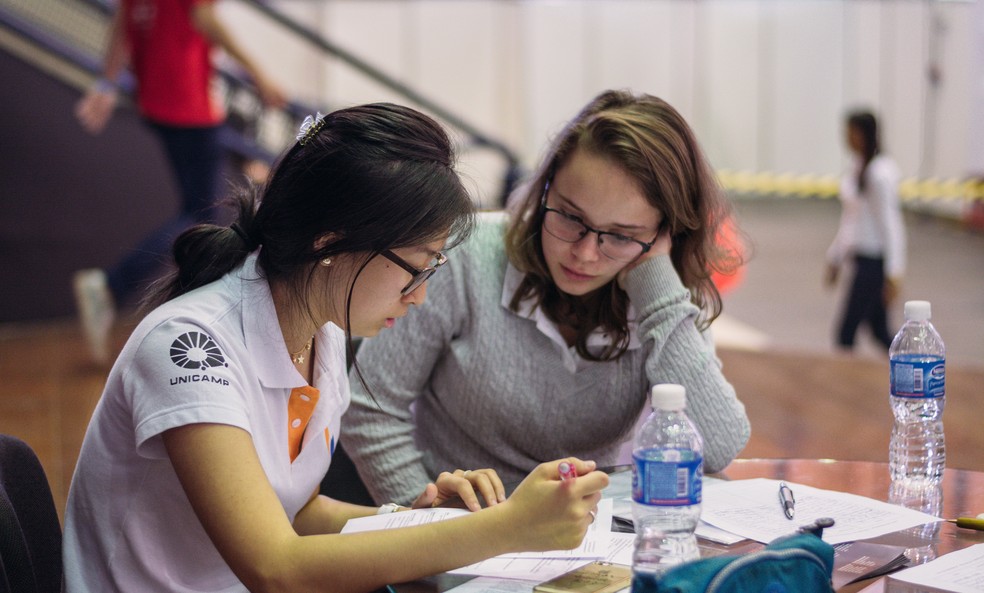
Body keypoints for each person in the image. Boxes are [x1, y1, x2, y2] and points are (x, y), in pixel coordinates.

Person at [62, 103, 608, 592]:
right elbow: (277, 567)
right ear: (331, 244)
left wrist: (417, 521)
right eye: (415, 270)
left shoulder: (321, 331)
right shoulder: (189, 346)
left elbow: (298, 514)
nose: (420, 298)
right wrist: (505, 529)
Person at [341, 90, 752, 506]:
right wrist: (429, 524)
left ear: (664, 235)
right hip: (461, 536)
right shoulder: (467, 257)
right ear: (544, 191)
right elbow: (369, 408)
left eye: (620, 235)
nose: (585, 253)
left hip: (589, 541)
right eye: (571, 217)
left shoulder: (663, 290)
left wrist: (658, 291)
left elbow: (716, 447)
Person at [73, 0, 288, 364]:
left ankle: (129, 292)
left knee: (200, 211)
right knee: (204, 213)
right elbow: (204, 17)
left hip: (158, 103)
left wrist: (107, 82)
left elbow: (124, 25)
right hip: (189, 103)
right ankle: (112, 287)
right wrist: (259, 75)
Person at [824, 109, 906, 351]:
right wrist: (835, 256)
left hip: (874, 265)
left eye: (850, 132)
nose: (846, 137)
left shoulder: (880, 173)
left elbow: (891, 224)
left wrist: (894, 272)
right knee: (879, 331)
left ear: (863, 134)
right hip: (860, 260)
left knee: (845, 333)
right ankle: (909, 368)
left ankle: (846, 383)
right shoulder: (858, 166)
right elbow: (851, 220)